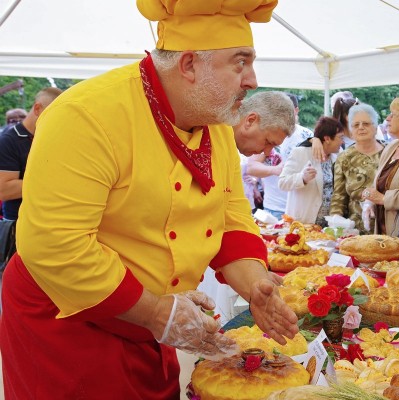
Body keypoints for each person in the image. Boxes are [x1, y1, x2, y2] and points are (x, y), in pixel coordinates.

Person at [0, 2, 299, 399]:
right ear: (190, 65)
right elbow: (56, 246)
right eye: (240, 63)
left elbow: (230, 217)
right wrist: (160, 312)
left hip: (150, 319)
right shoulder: (86, 115)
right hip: (67, 321)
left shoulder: (217, 126)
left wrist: (255, 283)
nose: (252, 79)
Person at [245, 93, 313, 221]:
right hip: (274, 207)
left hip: (300, 207)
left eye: (289, 111)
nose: (284, 117)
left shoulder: (307, 135)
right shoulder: (266, 132)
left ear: (296, 110)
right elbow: (250, 167)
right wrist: (275, 169)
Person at [362, 94, 399, 237]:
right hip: (384, 228)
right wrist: (370, 202)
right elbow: (379, 183)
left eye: (393, 114)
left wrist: (383, 199)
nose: (388, 119)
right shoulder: (391, 147)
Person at [0, 88, 63, 221]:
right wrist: (52, 183)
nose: (58, 120)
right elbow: (4, 190)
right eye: (54, 114)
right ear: (37, 108)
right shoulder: (9, 140)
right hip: (18, 223)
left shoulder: (52, 137)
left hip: (50, 219)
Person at [278, 116, 344, 226]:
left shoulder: (337, 156)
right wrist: (302, 178)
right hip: (304, 222)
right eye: (340, 137)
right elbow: (282, 183)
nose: (342, 142)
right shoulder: (301, 152)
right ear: (327, 139)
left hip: (328, 224)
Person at [330, 103, 384, 234]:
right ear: (351, 131)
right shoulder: (344, 158)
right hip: (354, 230)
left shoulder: (389, 154)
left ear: (375, 128)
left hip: (385, 226)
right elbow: (339, 196)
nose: (361, 128)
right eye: (356, 125)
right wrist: (335, 221)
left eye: (366, 124)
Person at [233, 91, 296, 157]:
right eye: (267, 142)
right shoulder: (221, 140)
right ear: (250, 121)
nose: (267, 153)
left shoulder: (231, 150)